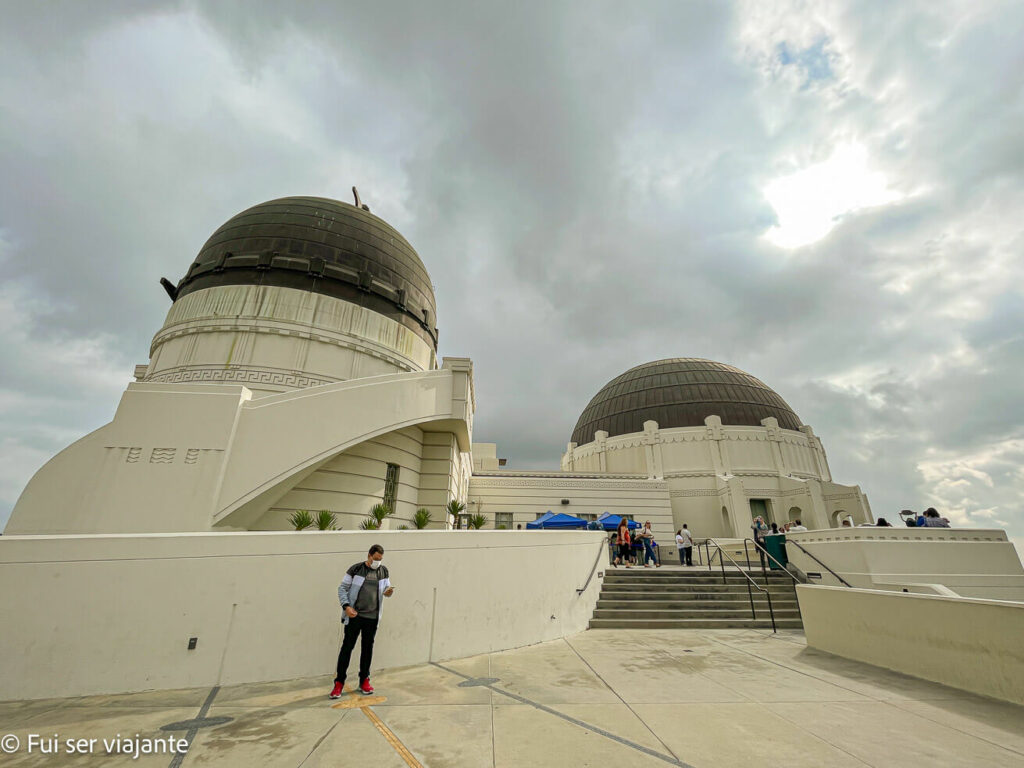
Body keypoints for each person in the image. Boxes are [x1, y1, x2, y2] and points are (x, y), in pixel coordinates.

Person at [330, 544, 394, 698]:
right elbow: (342, 588)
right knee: (347, 648)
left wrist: (388, 592)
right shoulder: (356, 569)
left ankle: (364, 680)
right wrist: (346, 607)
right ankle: (339, 683)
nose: (377, 562)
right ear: (369, 555)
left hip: (372, 618)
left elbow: (386, 590)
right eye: (376, 559)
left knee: (367, 650)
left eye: (380, 559)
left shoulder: (383, 571)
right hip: (355, 616)